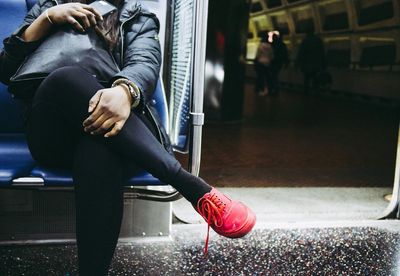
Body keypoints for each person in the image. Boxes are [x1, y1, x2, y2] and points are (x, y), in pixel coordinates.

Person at [0, 0, 256, 275]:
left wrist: (125, 91)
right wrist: (48, 19)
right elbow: (6, 70)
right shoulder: (47, 7)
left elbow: (144, 63)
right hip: (53, 130)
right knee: (65, 79)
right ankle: (192, 187)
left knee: (98, 148)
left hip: (120, 126)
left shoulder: (136, 17)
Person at [295, 28, 326, 94]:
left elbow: (301, 53)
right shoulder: (318, 40)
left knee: (306, 79)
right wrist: (323, 64)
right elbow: (322, 53)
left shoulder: (305, 41)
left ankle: (306, 92)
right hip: (316, 64)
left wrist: (297, 63)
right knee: (315, 79)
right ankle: (316, 92)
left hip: (306, 64)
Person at [254, 31, 273, 96]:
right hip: (267, 63)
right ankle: (267, 90)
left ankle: (260, 90)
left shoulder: (260, 45)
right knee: (267, 78)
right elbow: (271, 56)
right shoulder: (270, 46)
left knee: (260, 77)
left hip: (260, 62)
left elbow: (257, 55)